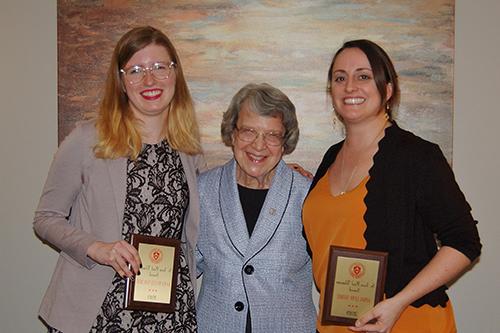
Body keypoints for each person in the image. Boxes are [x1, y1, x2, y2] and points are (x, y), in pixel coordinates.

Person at [302, 39, 481, 333]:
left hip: (408, 322)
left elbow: (464, 242)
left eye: (363, 76)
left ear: (387, 89)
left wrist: (398, 302)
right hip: (336, 326)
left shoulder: (417, 156)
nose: (350, 87)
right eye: (340, 78)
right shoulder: (330, 157)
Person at [33, 26, 204, 333]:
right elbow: (46, 218)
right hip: (97, 312)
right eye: (136, 70)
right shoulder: (88, 140)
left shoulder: (189, 150)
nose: (149, 80)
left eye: (159, 68)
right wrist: (95, 248)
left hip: (169, 315)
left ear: (174, 74)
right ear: (122, 82)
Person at [195, 83, 316, 332]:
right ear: (232, 134)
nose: (259, 146)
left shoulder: (309, 196)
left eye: (272, 135)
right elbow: (182, 265)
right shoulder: (202, 190)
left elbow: (332, 269)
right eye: (249, 131)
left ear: (285, 142)